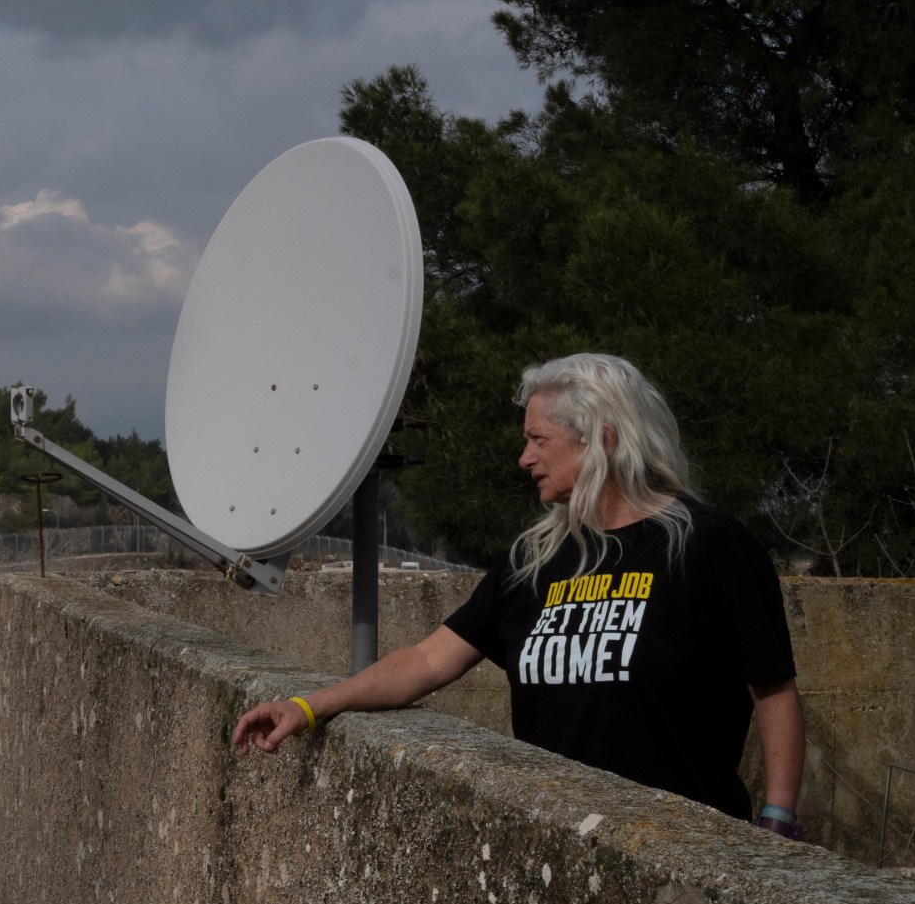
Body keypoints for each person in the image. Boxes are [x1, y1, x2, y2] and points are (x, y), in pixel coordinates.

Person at [229, 353, 806, 839]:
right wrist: (310, 706)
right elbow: (430, 660)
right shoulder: (534, 561)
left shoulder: (711, 545)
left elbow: (772, 688)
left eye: (538, 440)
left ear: (601, 440)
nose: (524, 458)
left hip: (686, 849)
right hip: (555, 842)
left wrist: (778, 822)